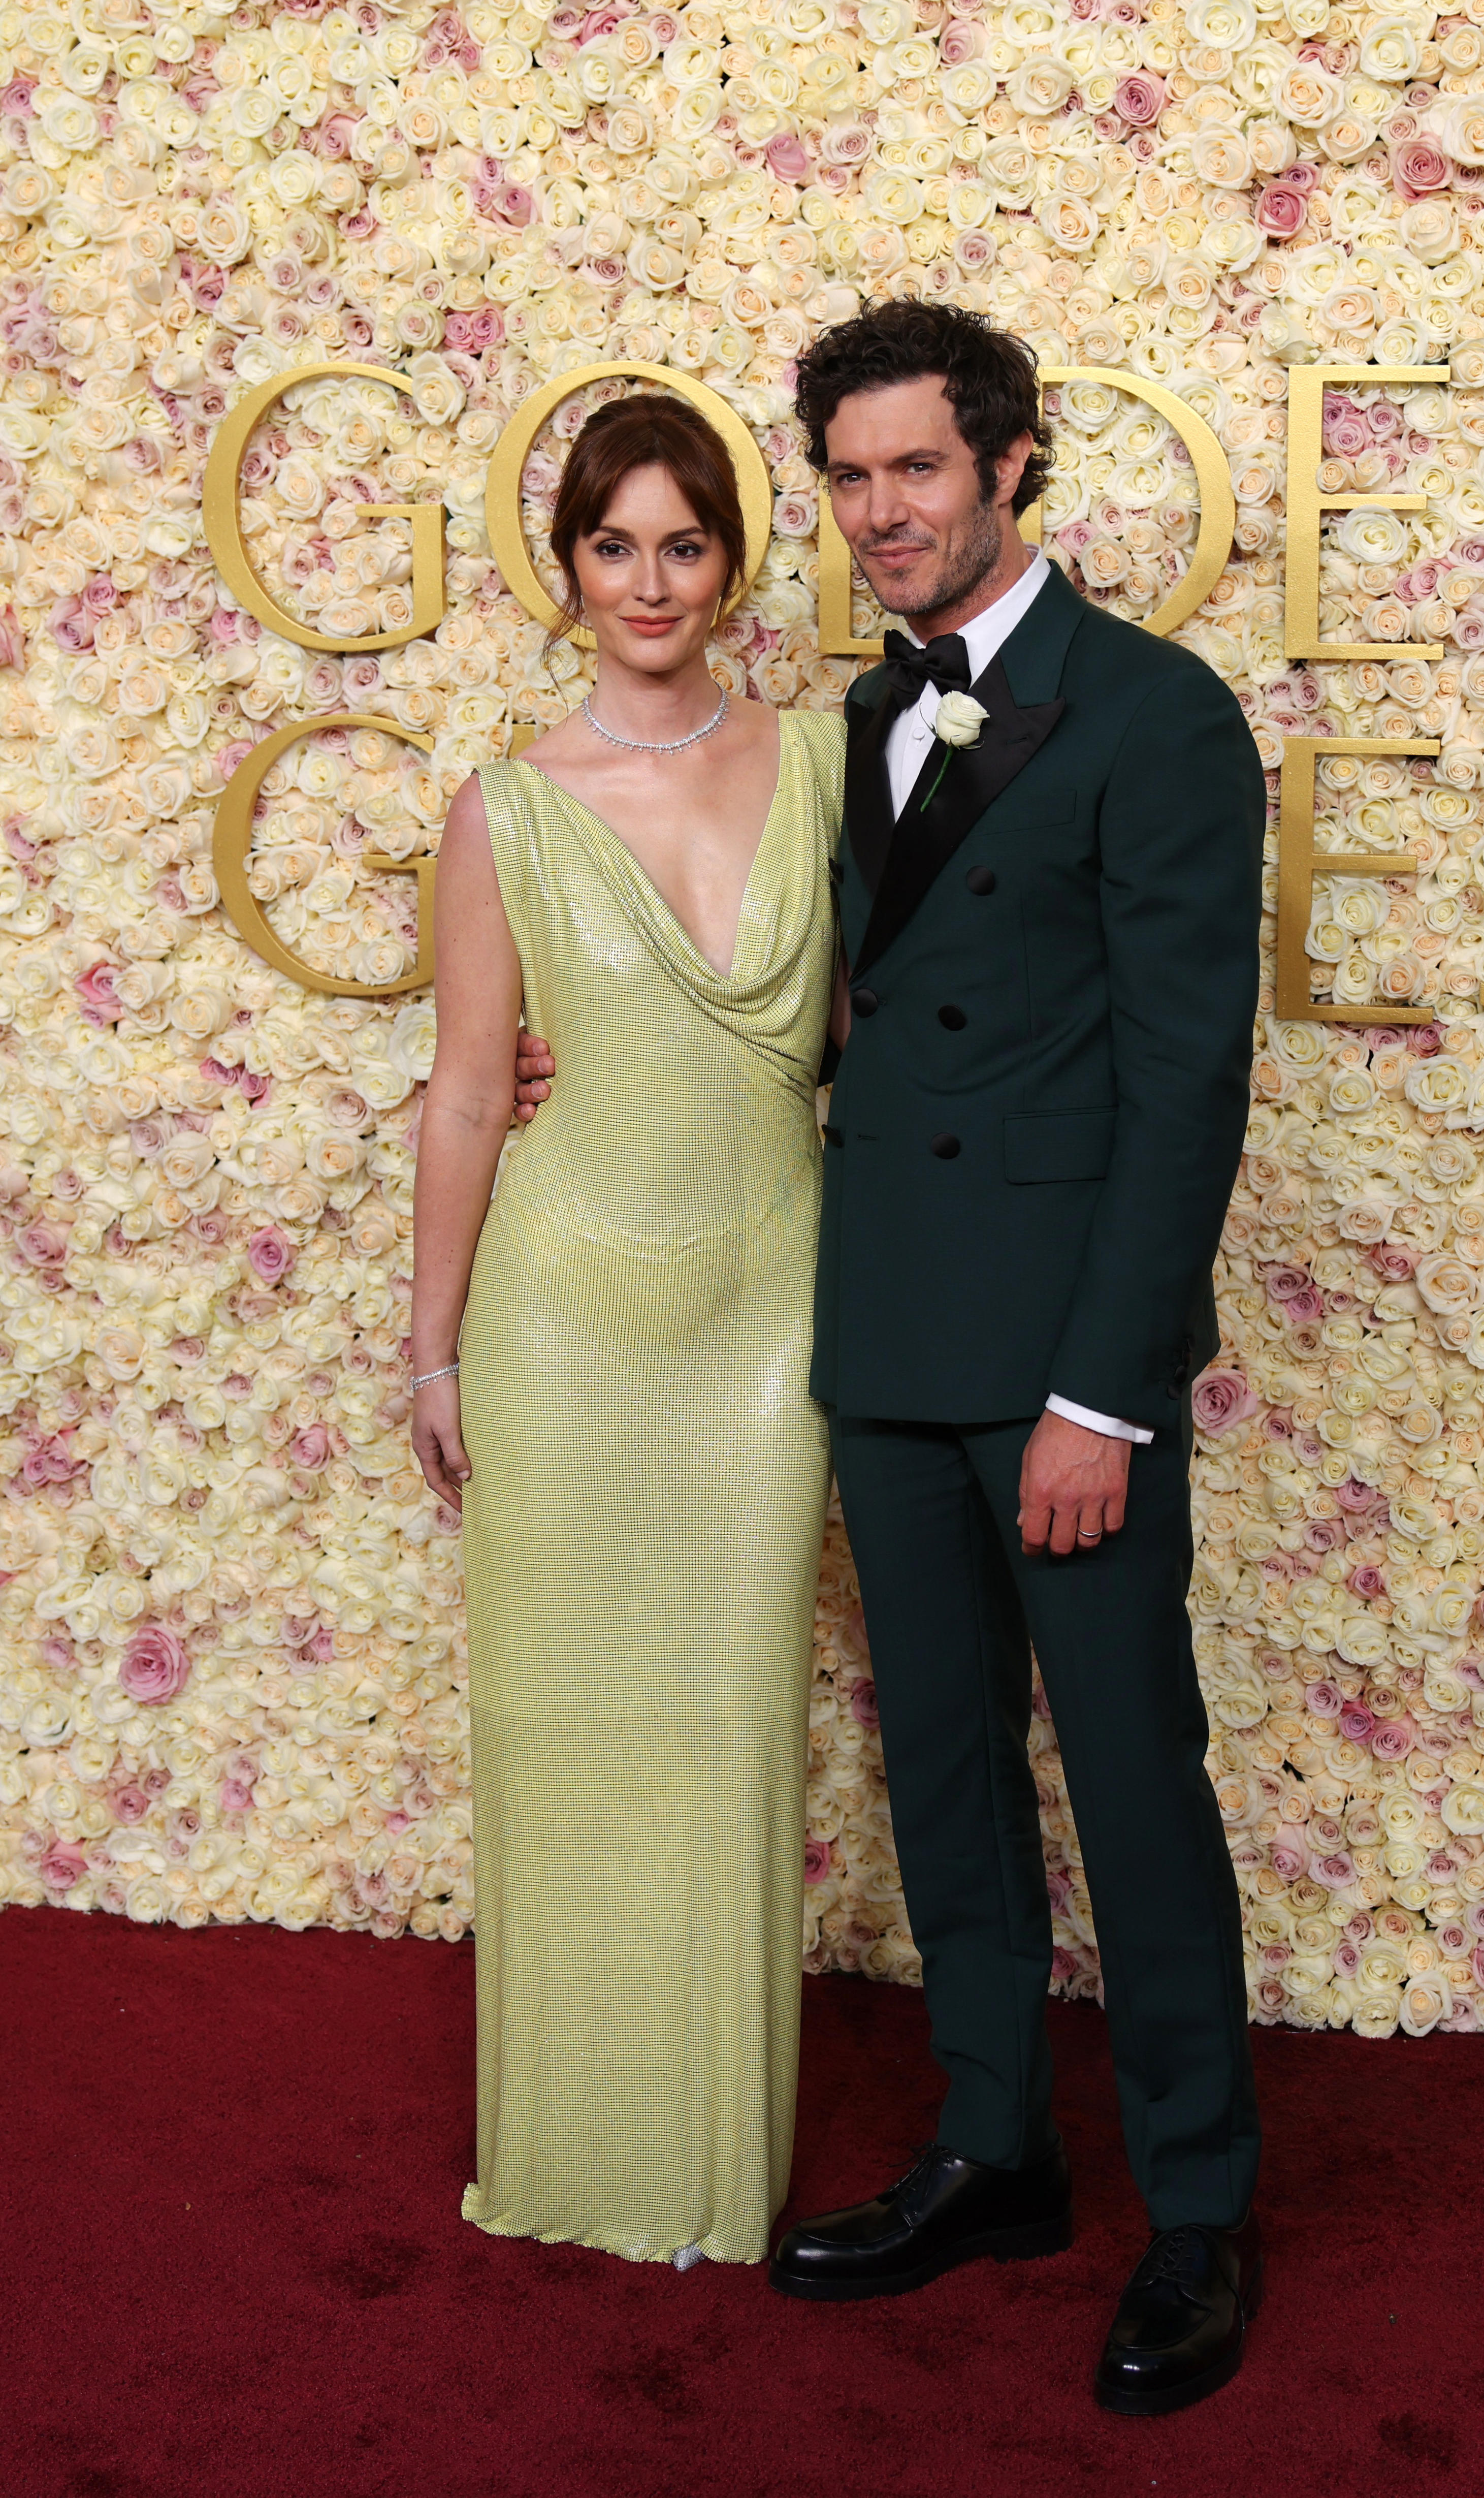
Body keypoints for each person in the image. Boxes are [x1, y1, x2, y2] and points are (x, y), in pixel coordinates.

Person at [517, 302, 1266, 2414]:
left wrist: (1104, 1392)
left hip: (1062, 1370)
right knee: (945, 1771)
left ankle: (1199, 2214)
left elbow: (1186, 1081)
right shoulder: (853, 723)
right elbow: (796, 998)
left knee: (1130, 1783)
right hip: (886, 1332)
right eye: (848, 479)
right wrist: (560, 1067)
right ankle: (995, 2146)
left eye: (917, 470)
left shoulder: (1158, 715)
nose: (880, 514)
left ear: (1014, 464)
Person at [411, 392, 845, 2266]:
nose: (650, 581)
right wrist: (430, 1348)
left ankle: (706, 2175)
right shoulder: (506, 806)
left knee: (732, 1735)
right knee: (563, 1734)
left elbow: (886, 1031)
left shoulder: (829, 767)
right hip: (563, 1323)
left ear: (731, 565)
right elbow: (457, 1094)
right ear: (567, 569)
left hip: (767, 1324)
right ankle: (572, 2158)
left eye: (684, 544)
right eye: (614, 546)